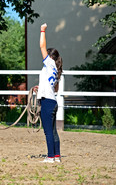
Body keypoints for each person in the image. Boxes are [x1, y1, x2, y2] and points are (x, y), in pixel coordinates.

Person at [38, 23, 63, 163]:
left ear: (50, 57)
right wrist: (39, 87)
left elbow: (42, 46)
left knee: (48, 131)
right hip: (53, 101)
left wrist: (43, 30)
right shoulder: (56, 70)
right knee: (53, 131)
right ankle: (57, 156)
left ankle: (50, 157)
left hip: (47, 102)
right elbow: (55, 89)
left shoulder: (49, 63)